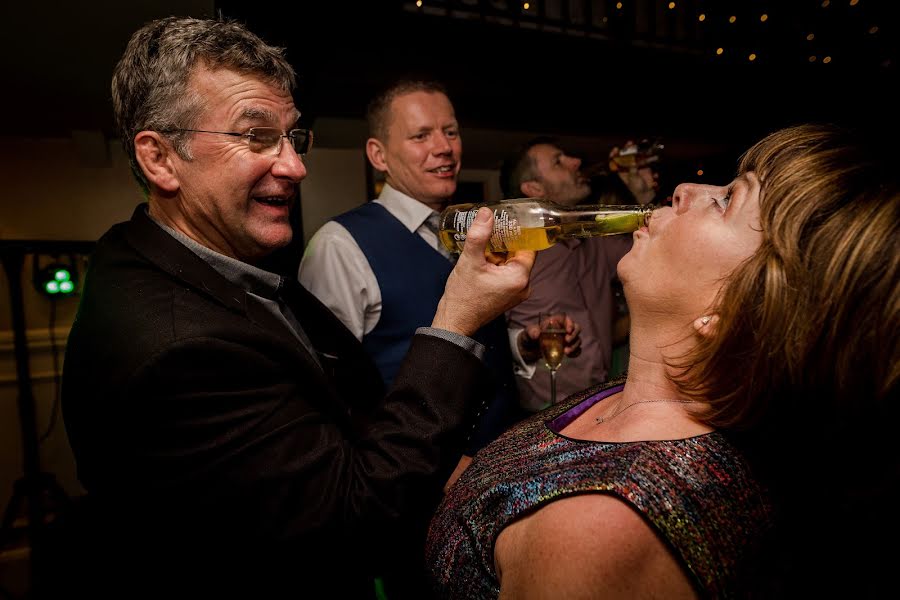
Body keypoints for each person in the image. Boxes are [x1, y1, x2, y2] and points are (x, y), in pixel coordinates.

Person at [57, 18, 535, 598]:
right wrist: (457, 320)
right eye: (255, 136)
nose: (294, 166)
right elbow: (352, 524)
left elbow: (342, 412)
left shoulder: (213, 262)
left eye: (290, 137)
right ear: (160, 159)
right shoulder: (181, 347)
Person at [426, 123, 899, 598]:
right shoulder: (628, 395)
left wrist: (453, 318)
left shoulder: (598, 532)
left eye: (726, 199)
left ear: (735, 307)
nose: (685, 189)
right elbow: (524, 481)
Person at [298, 83, 580, 460]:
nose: (444, 147)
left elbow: (479, 341)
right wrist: (437, 472)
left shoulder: (476, 229)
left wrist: (521, 344)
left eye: (450, 131)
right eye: (420, 136)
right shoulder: (340, 246)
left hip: (502, 460)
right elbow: (329, 397)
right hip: (416, 484)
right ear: (378, 155)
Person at [501, 137, 630, 411]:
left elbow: (648, 251)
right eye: (559, 161)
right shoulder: (513, 251)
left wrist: (635, 190)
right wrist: (527, 341)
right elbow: (495, 339)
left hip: (602, 404)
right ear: (534, 188)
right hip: (541, 417)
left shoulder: (596, 241)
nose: (576, 162)